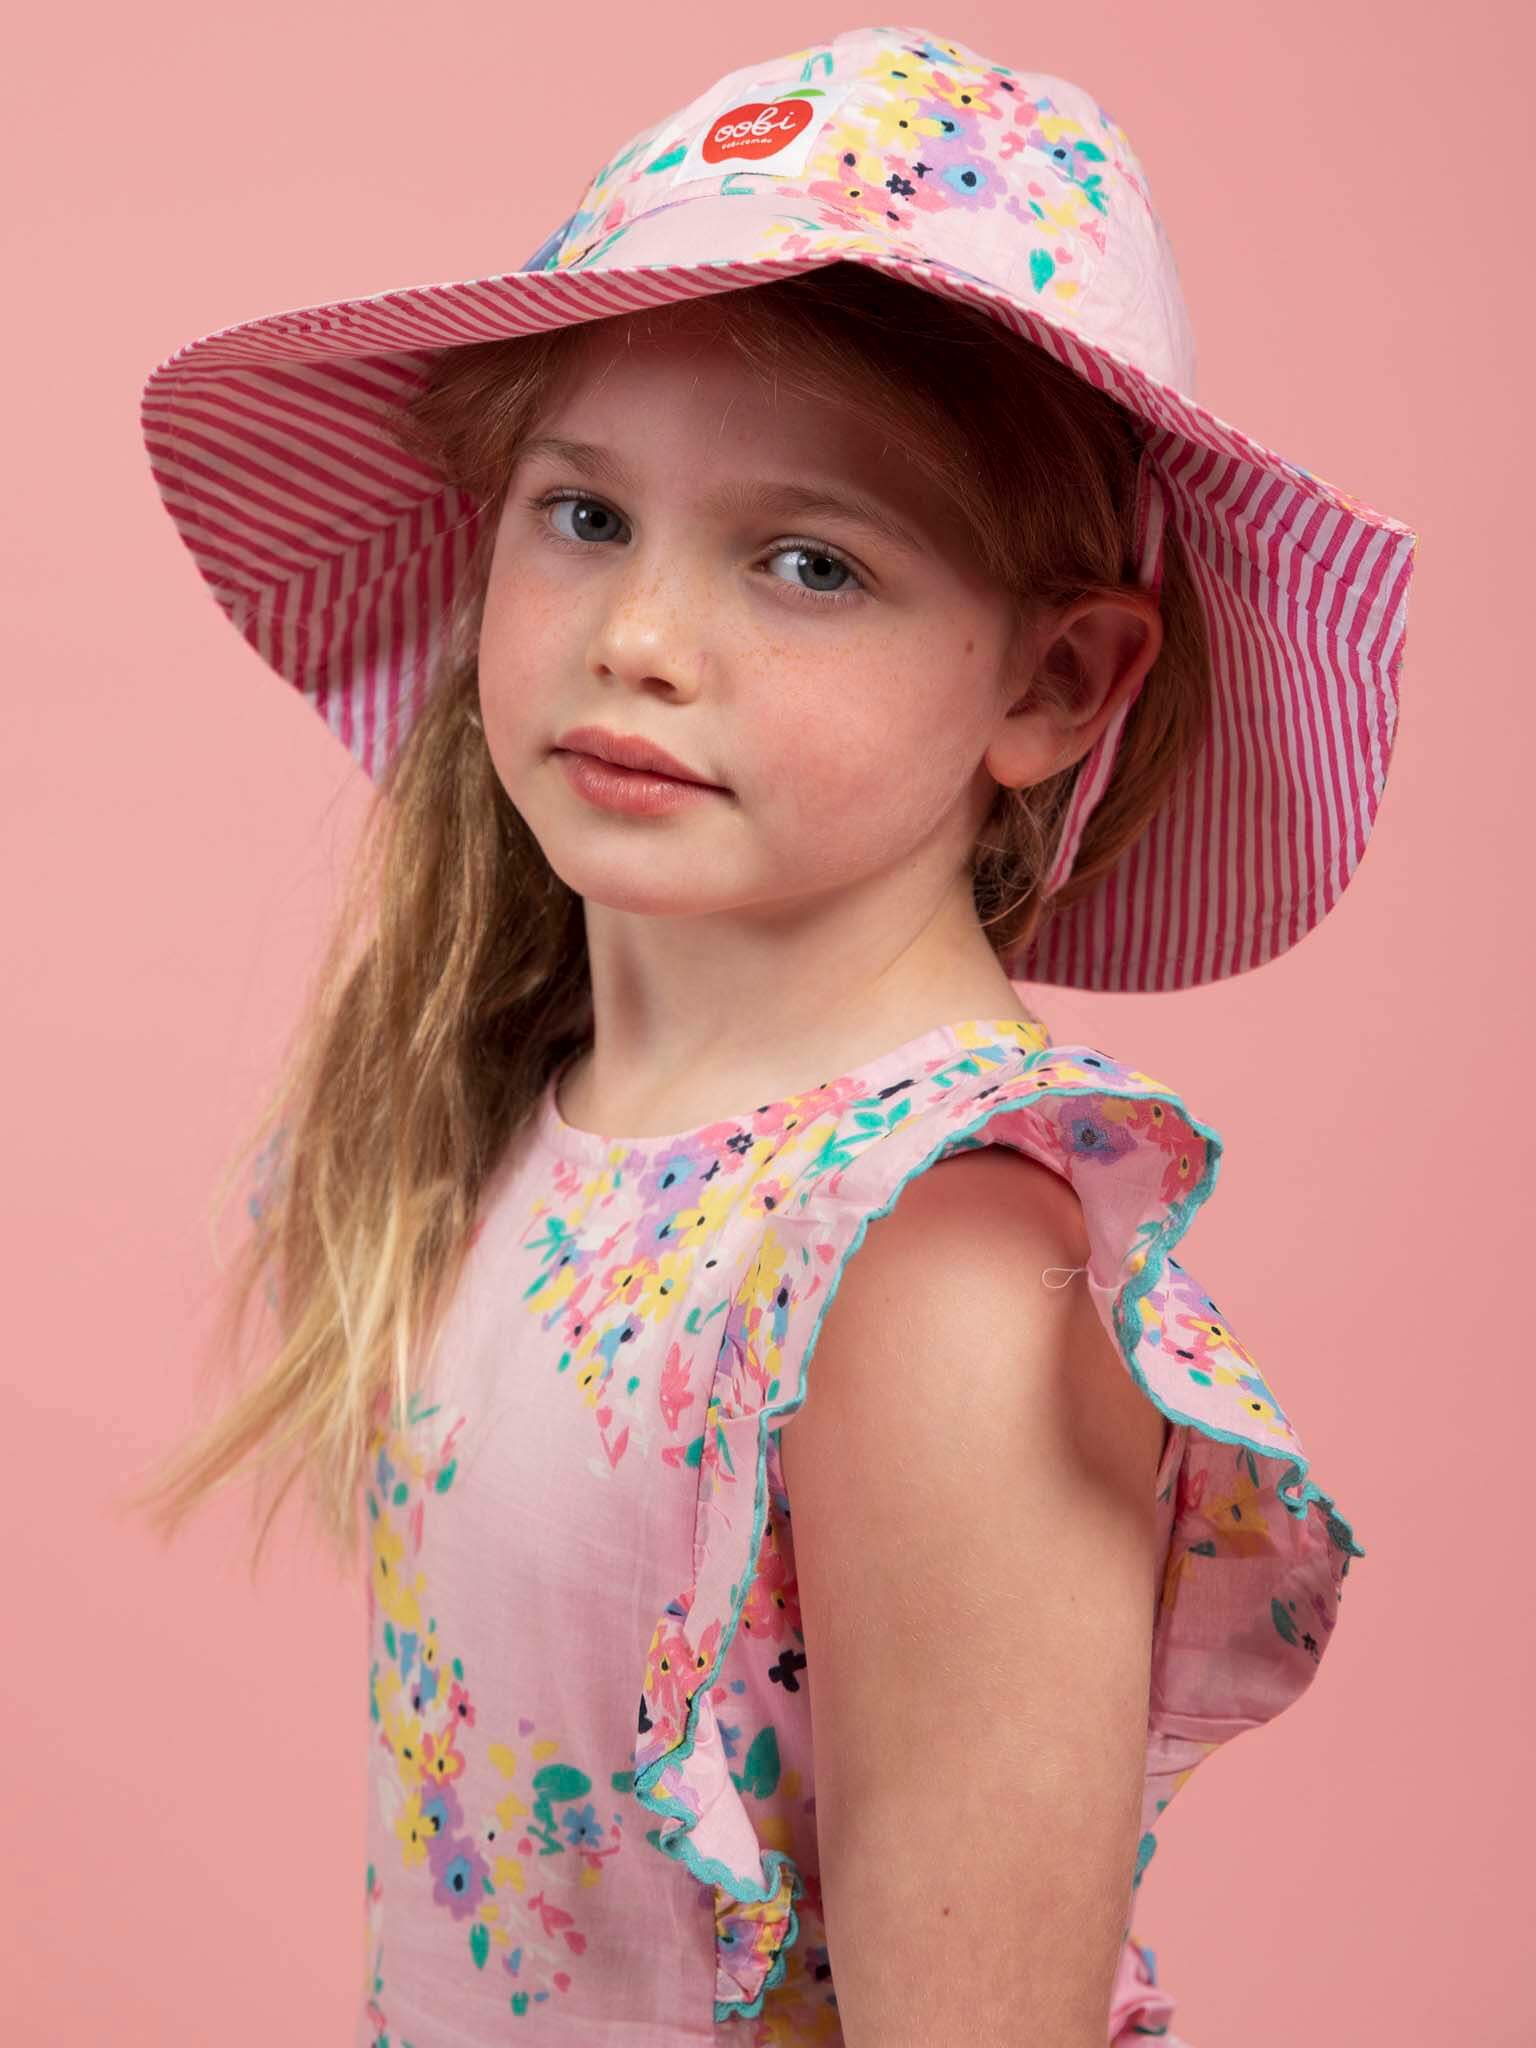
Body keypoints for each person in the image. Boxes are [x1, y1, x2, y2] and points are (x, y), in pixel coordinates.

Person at [129, 24, 1416, 2047]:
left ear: (1059, 681)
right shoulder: (551, 1127)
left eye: (808, 561)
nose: (643, 633)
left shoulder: (931, 1270)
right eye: (585, 516)